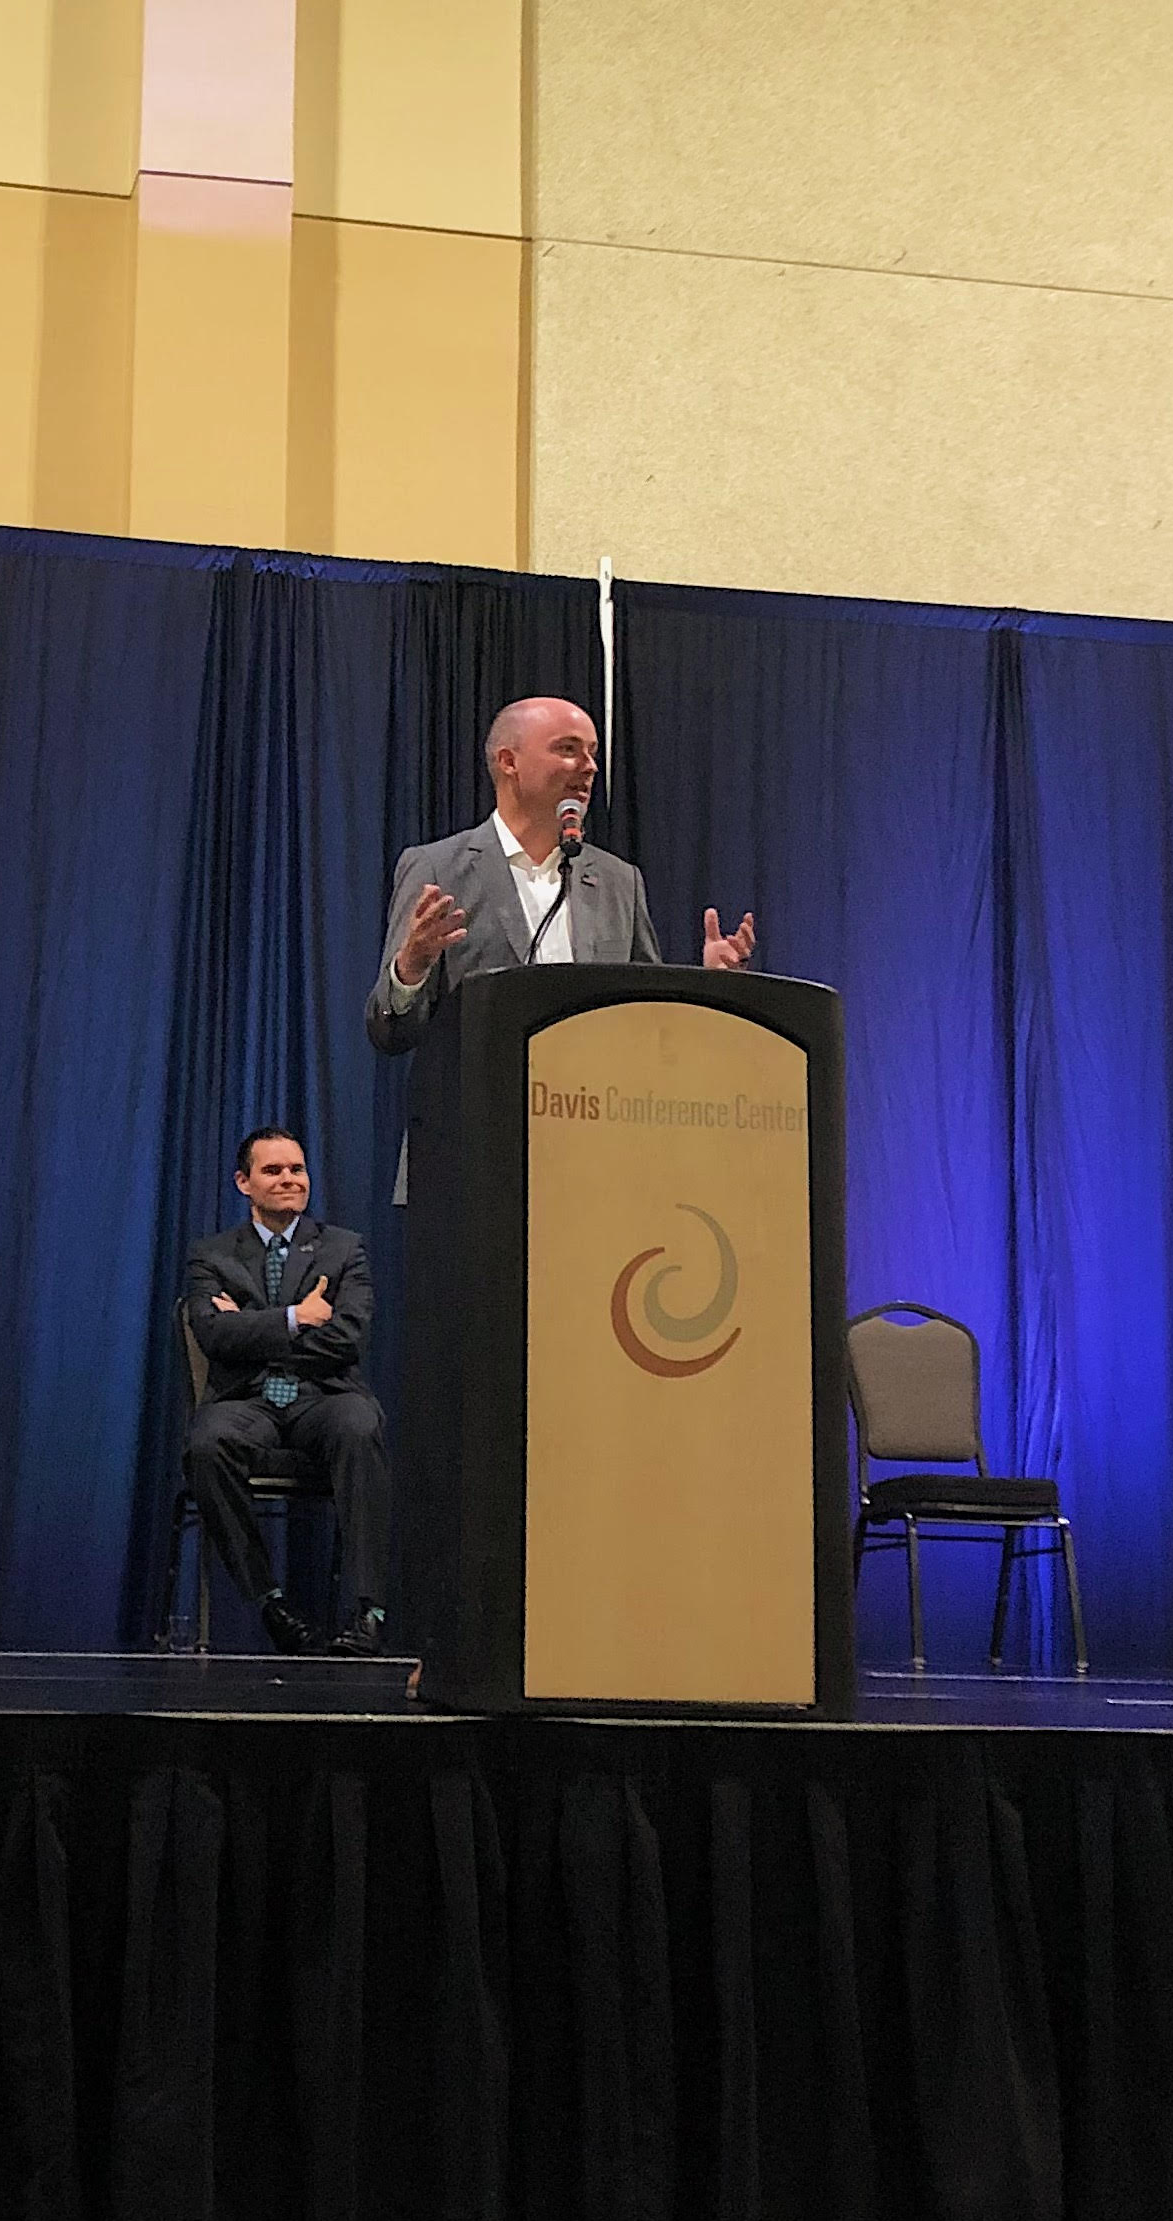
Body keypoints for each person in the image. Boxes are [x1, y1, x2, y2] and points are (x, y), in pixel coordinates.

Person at [365, 694, 758, 1052]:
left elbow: (647, 1020)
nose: (589, 766)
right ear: (509, 762)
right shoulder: (438, 868)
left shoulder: (620, 881)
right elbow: (389, 1033)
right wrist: (411, 967)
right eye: (568, 749)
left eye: (592, 752)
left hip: (592, 1103)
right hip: (484, 1105)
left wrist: (711, 985)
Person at [179, 1128, 390, 1655]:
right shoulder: (211, 1256)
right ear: (243, 1182)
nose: (289, 1180)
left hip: (324, 1396)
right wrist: (296, 1318)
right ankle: (269, 1602)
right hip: (247, 1401)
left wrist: (252, 1329)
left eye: (297, 1169)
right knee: (207, 1444)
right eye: (273, 1171)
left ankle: (370, 1611)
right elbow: (213, 1337)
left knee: (360, 1426)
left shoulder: (344, 1249)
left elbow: (348, 1339)